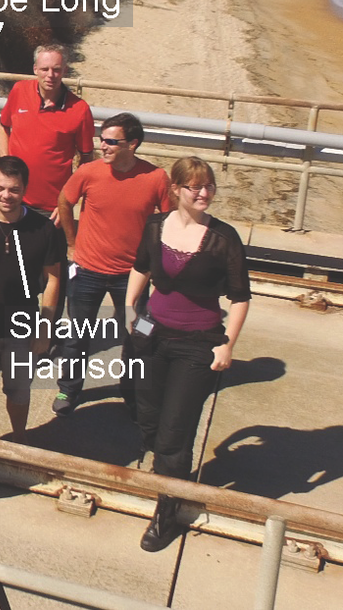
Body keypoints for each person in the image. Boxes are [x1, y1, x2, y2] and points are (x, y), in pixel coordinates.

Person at [126, 157, 250, 552]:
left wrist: (227, 343)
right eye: (195, 186)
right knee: (145, 414)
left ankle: (168, 509)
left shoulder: (224, 238)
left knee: (174, 431)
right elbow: (141, 268)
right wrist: (131, 310)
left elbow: (241, 297)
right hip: (152, 336)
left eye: (209, 186)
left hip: (198, 344)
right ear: (176, 189)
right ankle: (165, 466)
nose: (203, 193)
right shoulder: (154, 226)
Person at [54, 113, 170, 416]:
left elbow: (169, 221)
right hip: (87, 272)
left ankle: (131, 392)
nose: (102, 146)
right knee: (77, 335)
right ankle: (68, 388)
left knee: (138, 334)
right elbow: (64, 201)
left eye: (110, 141)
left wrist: (156, 264)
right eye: (101, 140)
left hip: (132, 278)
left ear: (132, 144)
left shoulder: (156, 178)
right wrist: (71, 243)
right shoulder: (89, 172)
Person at [0, 156, 65, 439]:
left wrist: (45, 328)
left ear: (25, 189)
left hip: (22, 328)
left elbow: (53, 278)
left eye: (14, 189)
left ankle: (20, 437)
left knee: (19, 390)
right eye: (0, 188)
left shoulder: (43, 230)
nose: (6, 195)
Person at [0, 43, 95, 218]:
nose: (50, 75)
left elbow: (86, 159)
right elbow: (3, 126)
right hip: (11, 197)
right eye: (44, 69)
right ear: (35, 69)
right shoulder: (19, 90)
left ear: (65, 70)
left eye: (56, 69)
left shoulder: (80, 109)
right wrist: (5, 162)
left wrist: (67, 200)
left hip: (51, 207)